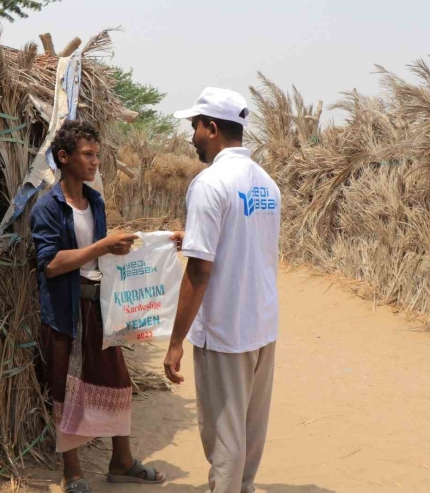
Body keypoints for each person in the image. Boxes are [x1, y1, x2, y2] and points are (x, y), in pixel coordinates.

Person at [32, 120, 166, 493]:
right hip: (65, 312)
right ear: (64, 157)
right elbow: (51, 264)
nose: (94, 162)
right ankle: (71, 472)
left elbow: (99, 261)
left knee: (117, 383)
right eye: (87, 155)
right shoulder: (48, 207)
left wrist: (127, 247)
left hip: (99, 309)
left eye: (97, 155)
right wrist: (102, 246)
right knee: (68, 388)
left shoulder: (95, 202)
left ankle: (121, 462)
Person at [164, 88, 281, 493]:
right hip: (261, 325)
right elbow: (245, 242)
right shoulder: (267, 184)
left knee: (225, 436)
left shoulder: (209, 183)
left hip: (226, 329)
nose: (191, 135)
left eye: (194, 126)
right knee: (249, 430)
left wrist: (176, 341)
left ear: (212, 128)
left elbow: (199, 273)